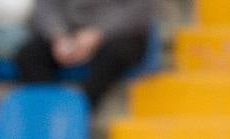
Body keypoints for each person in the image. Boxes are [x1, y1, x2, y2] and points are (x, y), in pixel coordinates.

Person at [14, 0, 153, 108]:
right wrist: (58, 35)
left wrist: (98, 33)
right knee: (30, 54)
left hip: (119, 35)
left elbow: (139, 11)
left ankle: (78, 110)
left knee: (117, 53)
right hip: (67, 33)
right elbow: (44, 8)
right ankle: (46, 111)